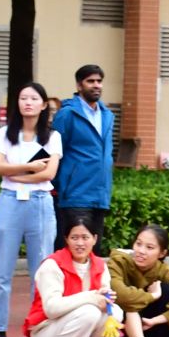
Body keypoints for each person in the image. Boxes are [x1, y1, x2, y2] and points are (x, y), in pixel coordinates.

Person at [0, 81, 61, 337]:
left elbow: (49, 173)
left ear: (43, 104)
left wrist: (15, 174)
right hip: (9, 201)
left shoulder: (52, 136)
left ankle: (38, 325)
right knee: (1, 268)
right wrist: (28, 168)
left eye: (34, 98)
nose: (28, 103)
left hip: (40, 202)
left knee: (41, 269)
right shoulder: (6, 133)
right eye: (23, 98)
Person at [18, 219, 117, 337]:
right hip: (46, 331)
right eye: (74, 238)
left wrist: (106, 300)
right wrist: (91, 297)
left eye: (85, 237)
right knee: (90, 311)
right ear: (66, 239)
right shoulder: (52, 265)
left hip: (77, 327)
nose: (80, 243)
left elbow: (101, 298)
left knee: (115, 312)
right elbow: (52, 309)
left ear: (95, 239)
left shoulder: (100, 265)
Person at [53, 63, 115, 249]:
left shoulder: (107, 115)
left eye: (99, 81)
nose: (96, 85)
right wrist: (59, 186)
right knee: (73, 250)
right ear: (79, 85)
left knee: (94, 251)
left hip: (100, 195)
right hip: (75, 194)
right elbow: (54, 152)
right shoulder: (67, 114)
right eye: (90, 81)